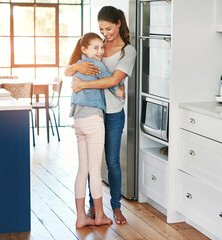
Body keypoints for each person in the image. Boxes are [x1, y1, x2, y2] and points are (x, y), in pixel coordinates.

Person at [65, 6, 136, 225]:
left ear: (119, 24)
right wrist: (77, 68)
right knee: (91, 165)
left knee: (112, 162)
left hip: (112, 113)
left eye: (108, 28)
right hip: (93, 114)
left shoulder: (128, 52)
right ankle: (93, 207)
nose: (105, 33)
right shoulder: (97, 45)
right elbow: (68, 69)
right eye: (101, 29)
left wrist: (83, 84)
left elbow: (113, 80)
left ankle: (115, 207)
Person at [69, 32, 124, 228]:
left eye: (101, 47)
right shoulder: (97, 65)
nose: (100, 51)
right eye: (96, 48)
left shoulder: (78, 64)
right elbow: (114, 86)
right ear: (85, 49)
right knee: (94, 169)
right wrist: (121, 89)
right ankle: (100, 216)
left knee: (82, 168)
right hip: (93, 119)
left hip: (78, 120)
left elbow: (68, 73)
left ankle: (81, 217)